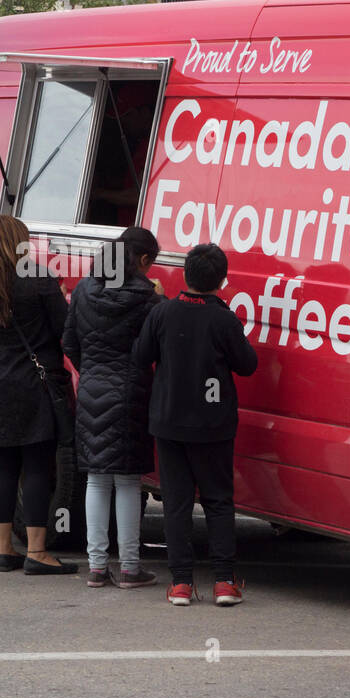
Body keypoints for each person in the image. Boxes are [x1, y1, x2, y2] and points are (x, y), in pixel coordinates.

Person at [134, 243, 257, 607]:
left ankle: (181, 585)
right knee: (218, 501)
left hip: (168, 421)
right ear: (221, 280)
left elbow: (140, 357)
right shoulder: (224, 318)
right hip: (213, 425)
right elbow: (247, 364)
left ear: (185, 276)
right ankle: (223, 582)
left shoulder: (162, 313)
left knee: (176, 503)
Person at [0, 215, 77, 574]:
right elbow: (65, 328)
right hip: (32, 382)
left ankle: (4, 550)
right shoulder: (38, 278)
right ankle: (37, 550)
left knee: (3, 466)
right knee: (37, 467)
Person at [62, 227, 163, 589]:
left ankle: (97, 566)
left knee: (96, 478)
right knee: (128, 480)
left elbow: (68, 340)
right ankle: (131, 567)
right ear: (142, 260)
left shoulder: (85, 291)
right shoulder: (149, 301)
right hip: (132, 392)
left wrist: (90, 368)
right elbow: (158, 348)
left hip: (91, 390)